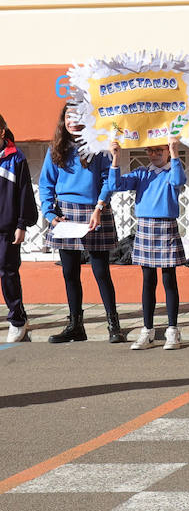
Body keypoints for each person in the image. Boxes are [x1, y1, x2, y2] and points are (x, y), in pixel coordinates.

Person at [39, 103, 120, 343]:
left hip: (95, 210)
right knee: (69, 272)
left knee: (101, 271)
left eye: (77, 116)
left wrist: (99, 207)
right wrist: (50, 214)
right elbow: (46, 184)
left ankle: (113, 325)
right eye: (68, 116)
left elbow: (108, 181)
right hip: (65, 214)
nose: (72, 120)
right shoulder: (56, 148)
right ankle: (76, 325)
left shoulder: (99, 147)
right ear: (62, 121)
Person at [106, 132, 189, 351]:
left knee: (169, 279)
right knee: (147, 280)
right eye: (150, 150)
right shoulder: (142, 173)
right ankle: (148, 330)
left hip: (166, 226)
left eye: (158, 150)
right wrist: (115, 158)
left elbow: (179, 181)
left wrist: (174, 153)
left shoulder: (172, 171)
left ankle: (172, 330)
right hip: (145, 227)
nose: (153, 155)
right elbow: (115, 185)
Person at [0, 113, 38, 343]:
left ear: (2, 132)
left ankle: (17, 320)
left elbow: (25, 194)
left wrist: (22, 224)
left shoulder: (16, 158)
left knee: (7, 273)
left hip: (7, 227)